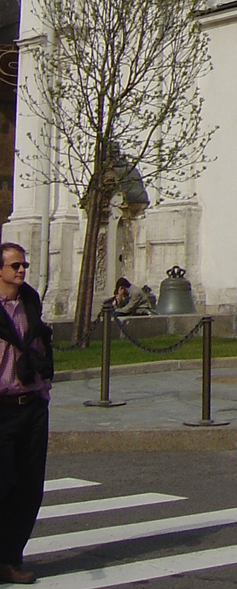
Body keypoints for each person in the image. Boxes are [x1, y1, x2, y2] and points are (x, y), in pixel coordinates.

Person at [0, 242, 52, 585]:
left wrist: (44, 389)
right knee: (3, 485)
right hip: (1, 410)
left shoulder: (30, 302)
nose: (21, 271)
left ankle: (10, 559)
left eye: (24, 266)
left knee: (29, 488)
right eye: (15, 266)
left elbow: (41, 345)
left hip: (31, 405)